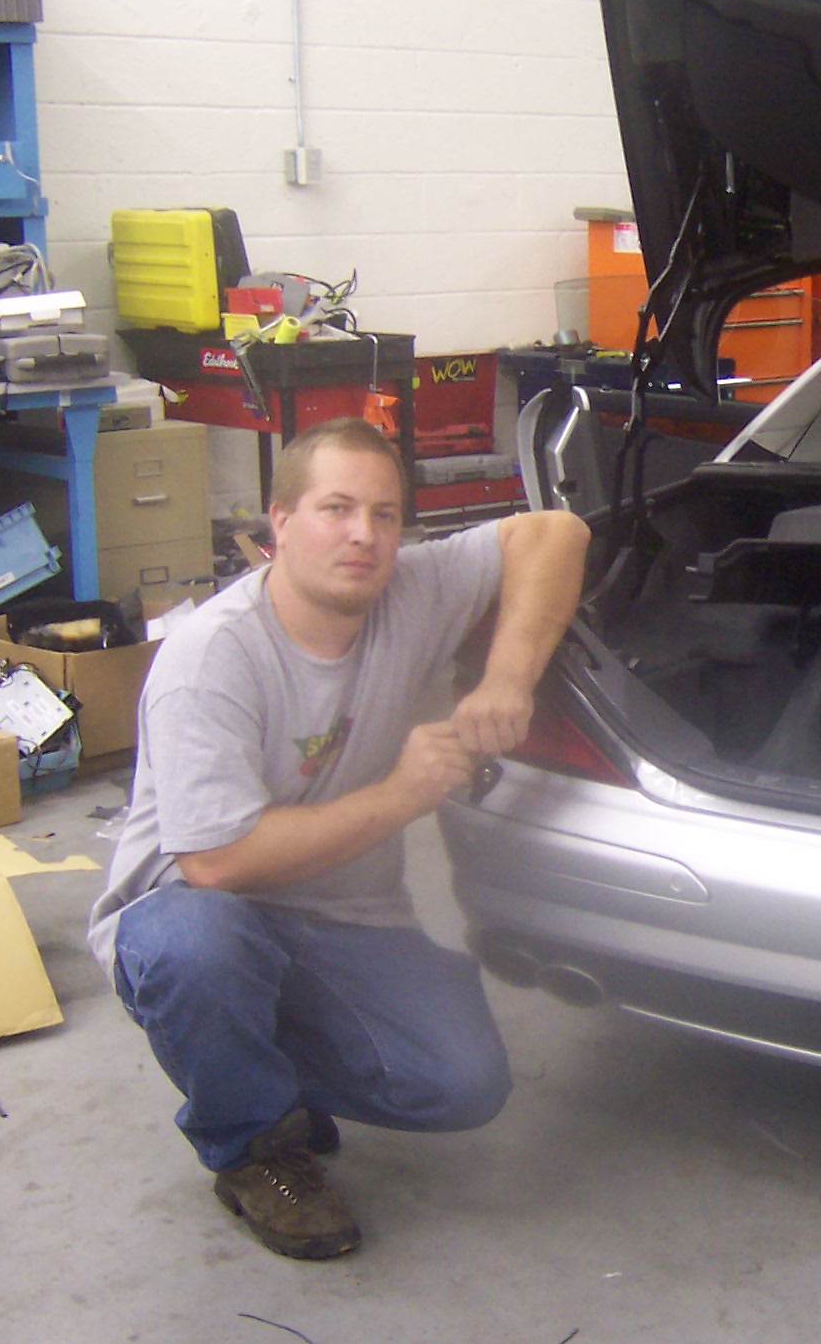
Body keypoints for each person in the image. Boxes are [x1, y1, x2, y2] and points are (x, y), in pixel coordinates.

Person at [88, 417, 590, 1260]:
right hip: (196, 911)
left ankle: (261, 1068)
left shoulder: (407, 589)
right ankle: (250, 1146)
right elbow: (215, 863)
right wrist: (402, 795)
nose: (364, 534)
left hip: (344, 915)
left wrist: (509, 679)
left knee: (463, 1083)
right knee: (197, 948)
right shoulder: (210, 660)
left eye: (386, 514)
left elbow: (556, 533)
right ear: (280, 522)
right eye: (337, 508)